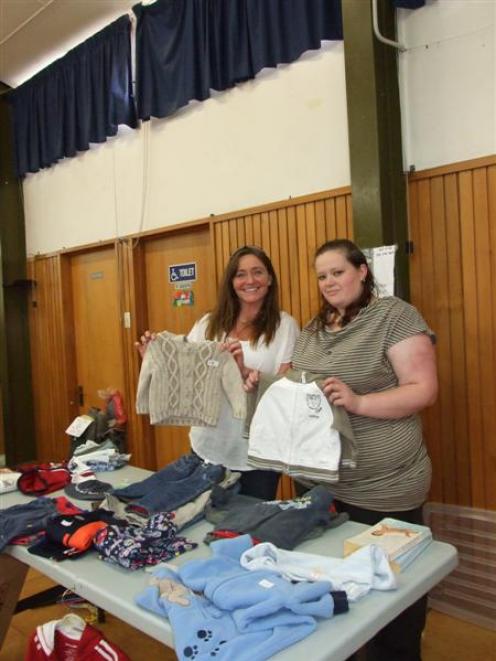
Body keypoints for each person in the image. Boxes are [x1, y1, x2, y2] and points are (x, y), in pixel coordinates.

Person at [284, 238, 437, 661]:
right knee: (333, 594)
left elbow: (424, 390)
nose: (329, 282)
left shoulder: (395, 316)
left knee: (393, 603)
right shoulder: (315, 328)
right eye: (322, 276)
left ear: (362, 271)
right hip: (322, 487)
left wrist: (359, 403)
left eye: (338, 272)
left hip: (383, 488)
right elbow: (300, 387)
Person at [136, 245, 299, 500]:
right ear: (231, 282)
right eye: (240, 274)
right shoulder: (207, 324)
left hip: (257, 455)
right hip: (207, 447)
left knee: (246, 531)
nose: (250, 280)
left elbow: (288, 390)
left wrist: (245, 372)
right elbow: (181, 377)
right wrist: (155, 360)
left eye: (257, 272)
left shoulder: (284, 326)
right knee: (201, 527)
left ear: (270, 279)